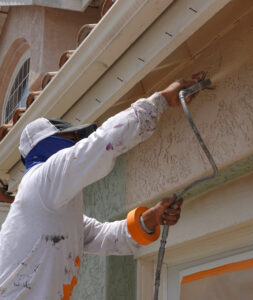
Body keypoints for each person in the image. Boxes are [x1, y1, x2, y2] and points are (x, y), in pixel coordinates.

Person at [0, 75, 201, 299]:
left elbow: (104, 237)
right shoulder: (41, 181)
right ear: (49, 144)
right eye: (72, 136)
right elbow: (100, 144)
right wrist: (160, 100)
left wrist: (150, 219)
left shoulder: (53, 208)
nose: (77, 141)